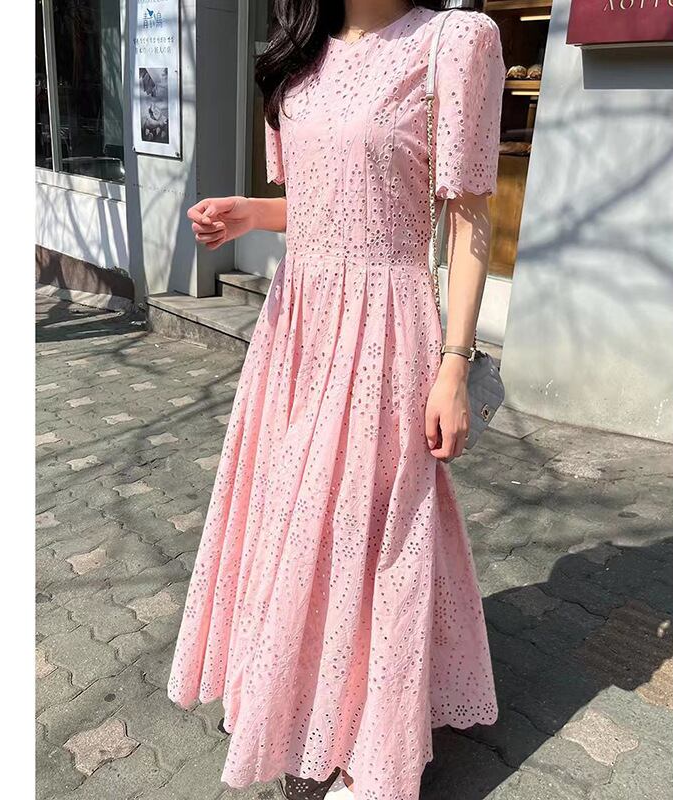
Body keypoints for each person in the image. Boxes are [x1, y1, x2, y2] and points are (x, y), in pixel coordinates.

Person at [167, 2, 506, 798]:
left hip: (387, 328)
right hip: (298, 325)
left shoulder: (456, 41)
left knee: (374, 524)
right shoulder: (298, 52)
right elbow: (326, 201)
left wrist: (454, 366)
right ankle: (300, 699)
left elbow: (468, 220)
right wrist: (251, 213)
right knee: (291, 514)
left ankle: (368, 738)